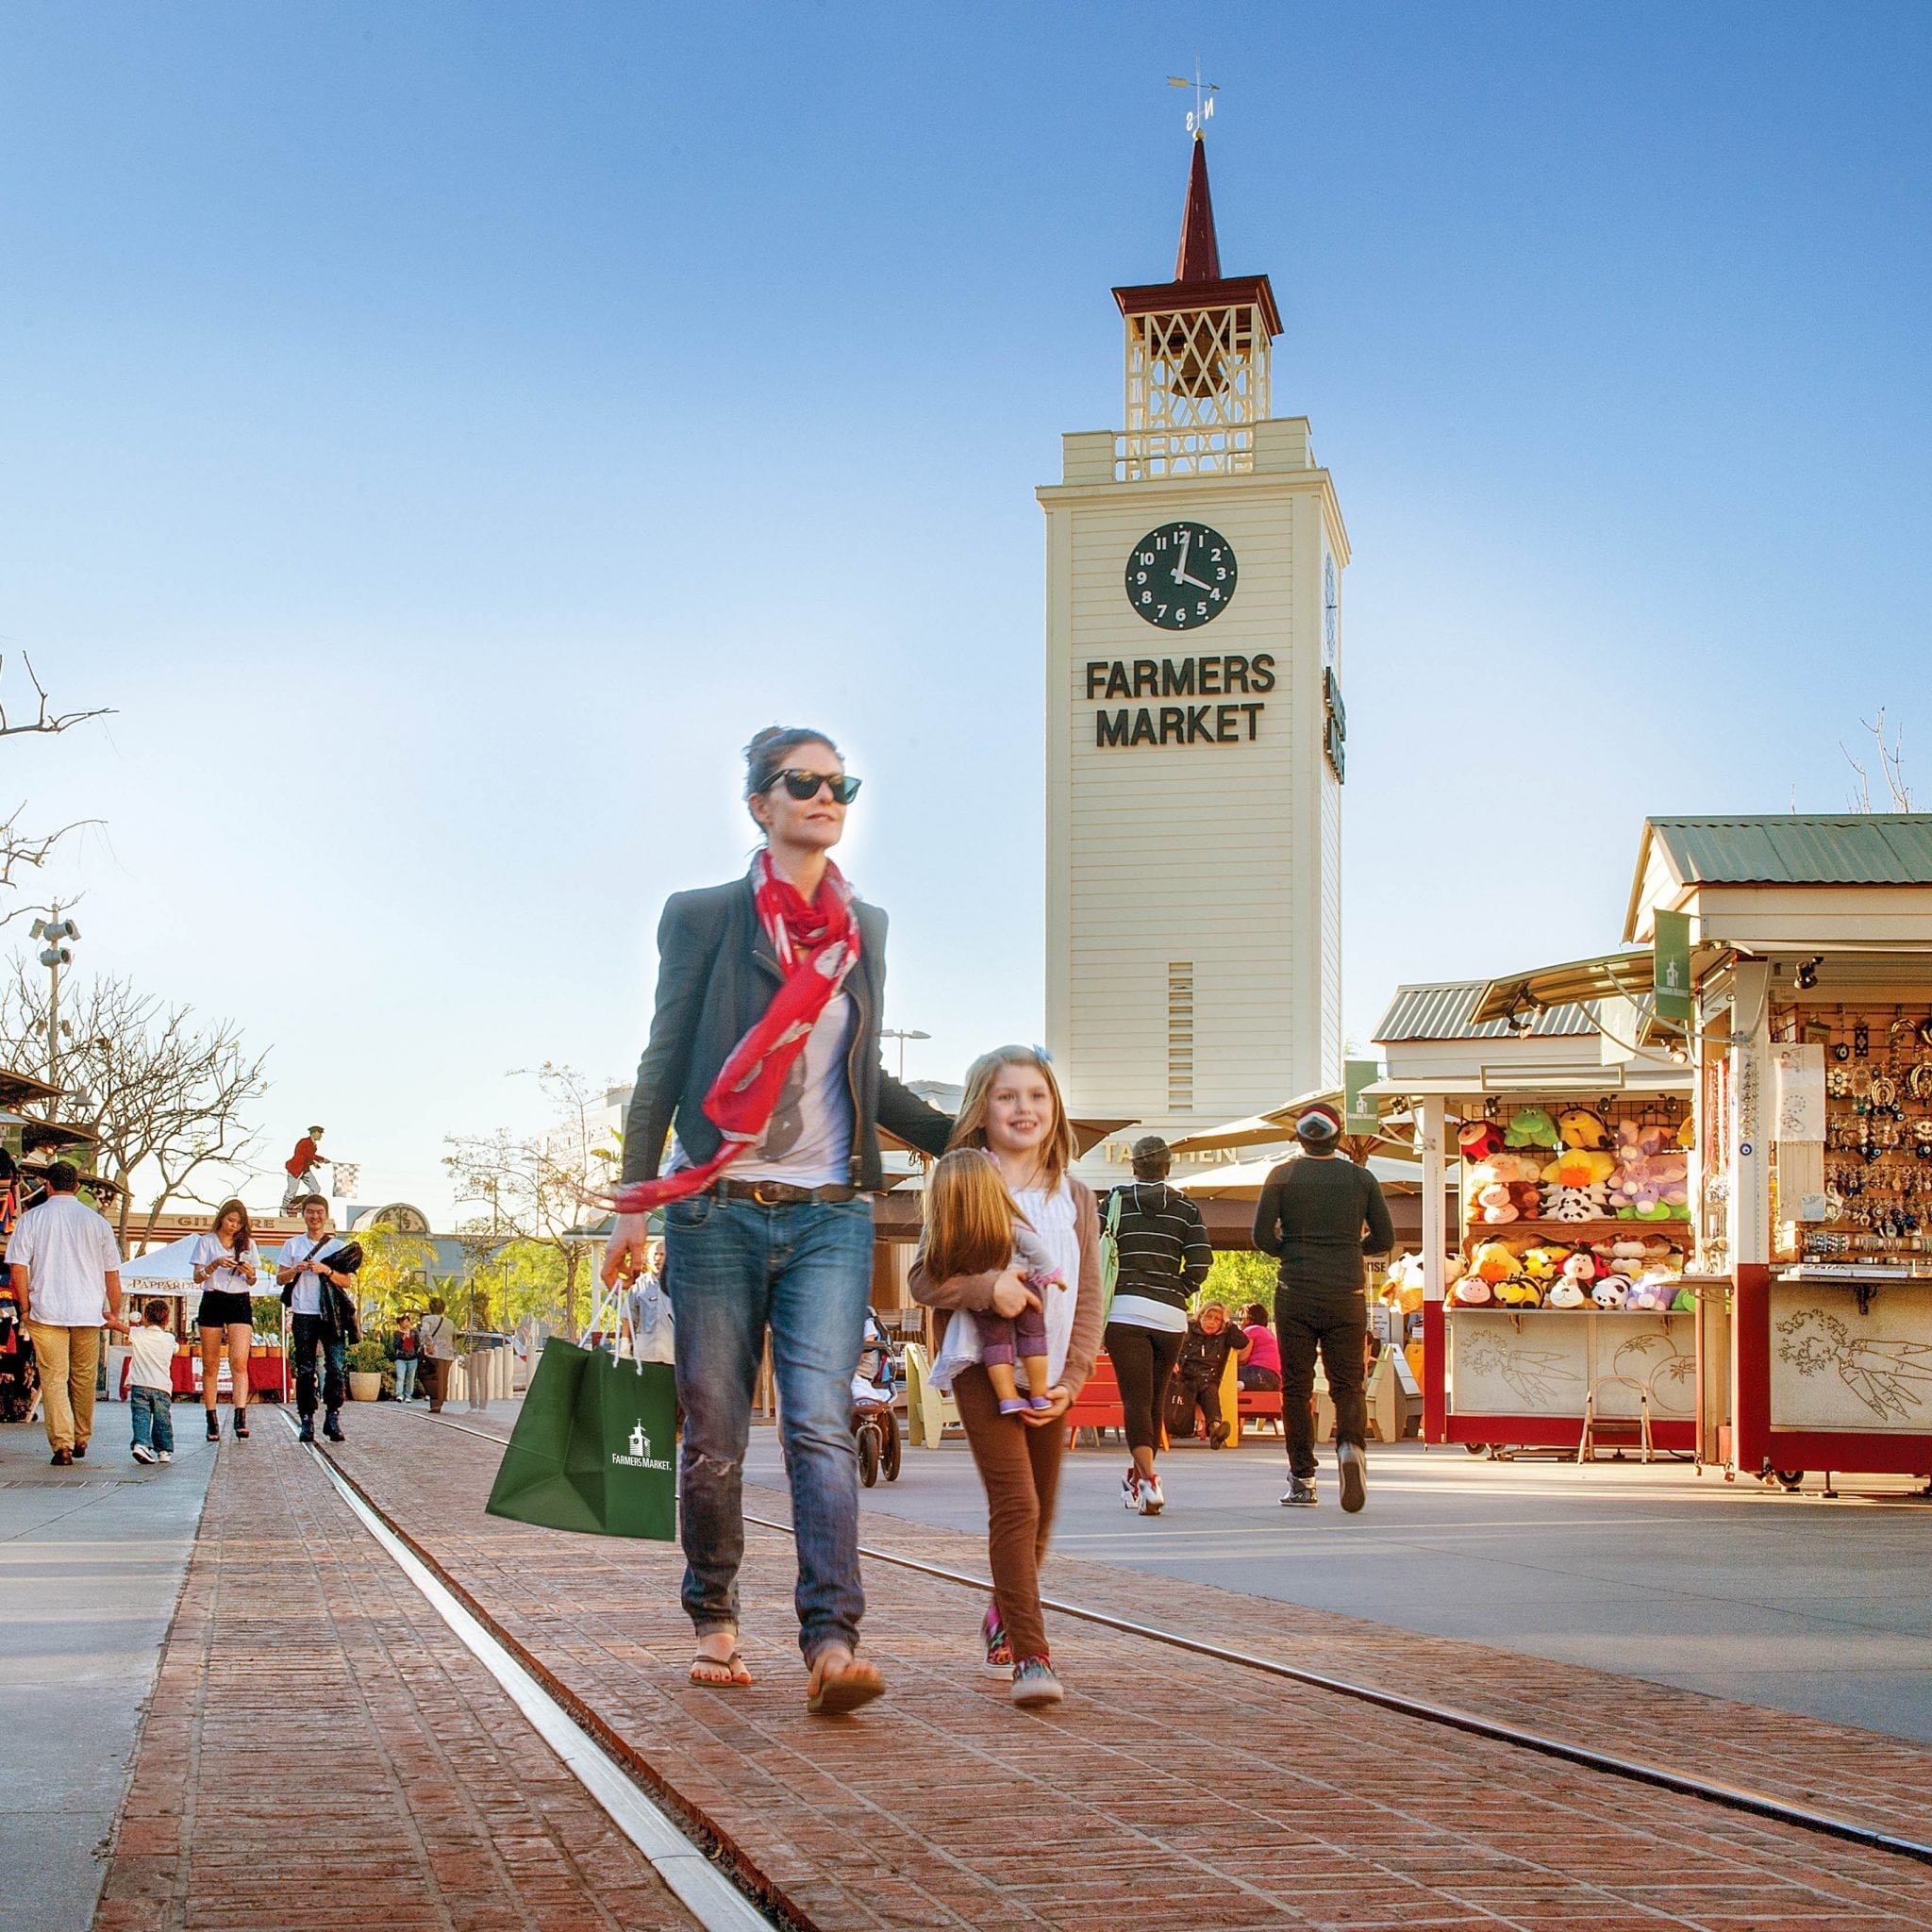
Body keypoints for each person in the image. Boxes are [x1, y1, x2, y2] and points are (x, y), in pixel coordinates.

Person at [599, 725, 952, 1714]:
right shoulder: (705, 917)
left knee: (819, 1423)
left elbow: (866, 1074)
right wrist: (634, 1201)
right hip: (714, 1209)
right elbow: (664, 1062)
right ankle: (713, 1612)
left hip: (830, 1214)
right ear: (759, 802)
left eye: (839, 782)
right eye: (802, 781)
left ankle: (832, 1639)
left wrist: (970, 1129)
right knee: (713, 1432)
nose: (823, 795)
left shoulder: (862, 929)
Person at [912, 1047, 1104, 1709]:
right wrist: (985, 1287)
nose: (1024, 1109)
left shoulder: (1075, 1194)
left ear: (1055, 1110)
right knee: (1016, 1505)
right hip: (982, 1365)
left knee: (1043, 1515)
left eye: (1037, 1097)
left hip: (1049, 1370)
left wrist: (1074, 1379)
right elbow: (924, 1281)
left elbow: (1087, 1298)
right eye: (1007, 1097)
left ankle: (1001, 1612)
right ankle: (1032, 1656)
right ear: (980, 1109)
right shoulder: (963, 1178)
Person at [1253, 1103, 1394, 1512]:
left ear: (1300, 1138)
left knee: (1296, 1388)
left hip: (1295, 1289)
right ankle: (1350, 1448)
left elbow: (1261, 1236)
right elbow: (1383, 1236)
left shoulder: (1282, 1176)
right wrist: (1351, 1247)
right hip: (1346, 1291)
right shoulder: (1361, 1178)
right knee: (1347, 1384)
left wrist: (1290, 1249)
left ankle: (1303, 1480)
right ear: (1338, 1137)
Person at [1103, 1134, 1212, 1515]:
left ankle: (1150, 1483)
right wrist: (1177, 1290)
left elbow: (1090, 1249)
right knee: (1153, 1398)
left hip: (1124, 1312)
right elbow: (1200, 1262)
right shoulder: (1186, 1208)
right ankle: (1137, 1477)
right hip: (1170, 1316)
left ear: (1133, 1166)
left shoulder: (1114, 1202)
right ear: (1167, 1168)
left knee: (1135, 1399)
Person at [923, 1149, 1063, 1414]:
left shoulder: (945, 1237)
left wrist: (977, 1285)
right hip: (1023, 1286)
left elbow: (931, 1277)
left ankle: (1007, 1397)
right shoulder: (1009, 1223)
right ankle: (1039, 1391)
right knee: (1033, 1335)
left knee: (995, 1343)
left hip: (979, 1307)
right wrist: (1052, 1275)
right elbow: (1037, 1250)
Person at [8, 1161, 125, 1466]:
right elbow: (112, 1272)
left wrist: (24, 1306)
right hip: (88, 1310)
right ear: (76, 1187)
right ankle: (82, 1436)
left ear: (47, 1186)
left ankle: (62, 1445)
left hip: (46, 1309)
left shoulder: (32, 1219)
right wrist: (115, 1310)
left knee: (54, 1378)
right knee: (84, 1377)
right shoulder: (97, 1223)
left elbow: (18, 1265)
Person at [275, 1194, 359, 1444]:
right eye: (310, 1212)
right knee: (305, 1369)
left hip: (330, 1314)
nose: (315, 1216)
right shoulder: (292, 1245)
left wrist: (327, 1270)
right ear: (303, 1215)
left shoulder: (336, 1246)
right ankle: (306, 1418)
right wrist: (295, 1269)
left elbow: (346, 1281)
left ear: (326, 1215)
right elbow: (280, 1279)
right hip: (303, 1313)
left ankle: (333, 1415)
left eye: (319, 1212)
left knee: (335, 1366)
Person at [192, 1198, 259, 1441]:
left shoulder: (248, 1244)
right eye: (231, 1220)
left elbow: (254, 1280)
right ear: (222, 1218)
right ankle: (211, 1418)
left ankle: (240, 1415)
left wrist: (250, 1273)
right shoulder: (206, 1242)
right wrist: (215, 1264)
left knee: (239, 1361)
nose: (234, 1226)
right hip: (213, 1298)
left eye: (239, 1223)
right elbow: (197, 1277)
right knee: (210, 1363)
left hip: (239, 1299)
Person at [1170, 1300, 1250, 1446]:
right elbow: (1170, 1347)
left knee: (1209, 1391)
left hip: (1207, 1379)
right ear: (1200, 1316)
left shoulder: (1224, 1335)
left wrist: (1228, 1321)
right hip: (1183, 1376)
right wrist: (1172, 1361)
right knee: (1176, 1385)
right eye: (1208, 1317)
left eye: (1217, 1319)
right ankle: (1212, 1429)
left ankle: (1215, 1429)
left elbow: (1242, 1342)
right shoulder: (1188, 1329)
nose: (1212, 1322)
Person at [127, 1298, 177, 1465]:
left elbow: (121, 1328)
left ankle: (141, 1444)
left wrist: (111, 1322)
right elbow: (176, 1349)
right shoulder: (169, 1339)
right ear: (167, 1320)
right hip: (162, 1386)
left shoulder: (138, 1334)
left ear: (145, 1318)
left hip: (139, 1384)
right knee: (162, 1418)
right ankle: (164, 1450)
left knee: (141, 1416)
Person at [418, 1295, 456, 1411]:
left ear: (430, 1308)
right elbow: (456, 1334)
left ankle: (435, 1402)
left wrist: (429, 1344)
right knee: (443, 1378)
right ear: (443, 1309)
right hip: (447, 1354)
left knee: (432, 1377)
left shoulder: (428, 1319)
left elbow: (425, 1331)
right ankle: (440, 1400)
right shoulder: (450, 1322)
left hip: (434, 1353)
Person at [281, 1124, 327, 1214]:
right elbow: (307, 1154)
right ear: (314, 1133)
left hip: (305, 1170)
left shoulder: (313, 1145)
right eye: (320, 1133)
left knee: (316, 1189)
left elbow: (307, 1157)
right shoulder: (304, 1142)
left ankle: (303, 1206)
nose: (321, 1136)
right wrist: (322, 1159)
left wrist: (313, 1163)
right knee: (291, 1192)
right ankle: (283, 1209)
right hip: (295, 1169)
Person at [1239, 1302, 1283, 1391]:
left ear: (1249, 1319)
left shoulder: (1251, 1330)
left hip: (1257, 1373)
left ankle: (1241, 1384)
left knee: (1221, 1374)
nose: (1239, 1323)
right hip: (1274, 1380)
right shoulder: (1268, 1333)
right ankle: (1242, 1384)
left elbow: (1243, 1358)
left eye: (1241, 1319)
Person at [392, 1311, 420, 1403]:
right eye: (404, 1321)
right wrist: (402, 1339)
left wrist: (415, 1352)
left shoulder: (413, 1332)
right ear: (400, 1322)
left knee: (410, 1377)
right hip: (401, 1358)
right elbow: (396, 1346)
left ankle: (408, 1395)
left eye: (408, 1321)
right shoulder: (397, 1333)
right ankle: (399, 1394)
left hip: (412, 1358)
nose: (406, 1323)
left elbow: (417, 1344)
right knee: (401, 1376)